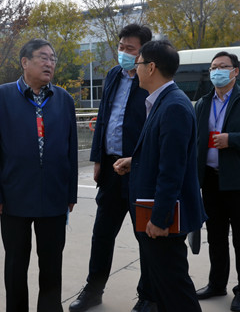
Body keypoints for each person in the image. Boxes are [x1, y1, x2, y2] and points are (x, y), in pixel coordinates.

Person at [0, 38, 78, 312]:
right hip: (14, 196)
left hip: (54, 196)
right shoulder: (1, 96)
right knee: (15, 263)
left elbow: (71, 151)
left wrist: (70, 193)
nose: (49, 64)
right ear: (25, 62)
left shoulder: (64, 99)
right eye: (43, 58)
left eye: (53, 59)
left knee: (51, 264)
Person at [113, 40, 206, 311]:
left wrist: (159, 218)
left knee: (175, 290)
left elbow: (172, 170)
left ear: (151, 67)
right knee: (166, 288)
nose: (135, 69)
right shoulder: (161, 101)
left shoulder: (173, 106)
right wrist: (135, 161)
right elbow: (164, 154)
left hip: (163, 221)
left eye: (138, 63)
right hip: (156, 214)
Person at [69, 24, 155, 312]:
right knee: (102, 233)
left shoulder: (149, 80)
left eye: (130, 49)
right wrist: (98, 159)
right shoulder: (113, 75)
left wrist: (140, 162)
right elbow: (104, 117)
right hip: (110, 169)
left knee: (145, 236)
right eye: (121, 47)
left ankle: (148, 296)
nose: (124, 53)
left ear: (143, 52)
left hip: (139, 170)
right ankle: (93, 289)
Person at [193, 51, 240, 312]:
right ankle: (217, 284)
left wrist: (232, 139)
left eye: (223, 66)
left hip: (239, 183)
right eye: (213, 67)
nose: (217, 71)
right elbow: (195, 141)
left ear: (235, 71)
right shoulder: (203, 103)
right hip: (210, 181)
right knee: (215, 237)